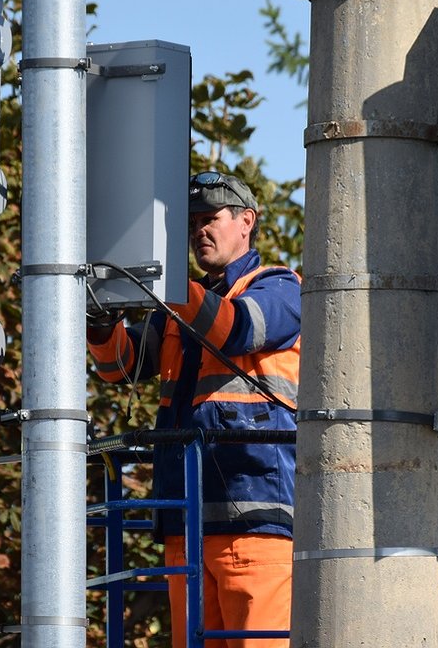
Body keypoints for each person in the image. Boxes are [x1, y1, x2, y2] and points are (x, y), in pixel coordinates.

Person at [87, 171, 301, 648]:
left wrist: (168, 283)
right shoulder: (177, 310)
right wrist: (101, 322)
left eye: (211, 219)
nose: (199, 230)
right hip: (185, 521)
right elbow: (121, 366)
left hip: (254, 521)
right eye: (192, 224)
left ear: (246, 221)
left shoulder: (281, 287)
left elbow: (238, 328)